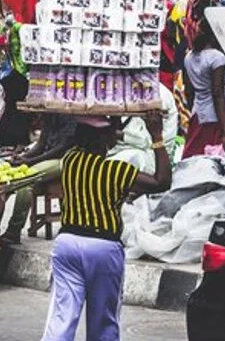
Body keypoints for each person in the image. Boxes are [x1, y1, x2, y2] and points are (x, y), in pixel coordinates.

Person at [40, 115, 170, 341]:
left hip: (67, 244)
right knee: (103, 322)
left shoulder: (71, 160)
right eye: (111, 133)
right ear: (103, 140)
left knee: (61, 318)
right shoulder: (116, 171)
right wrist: (157, 138)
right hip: (103, 247)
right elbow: (161, 181)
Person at [183, 27, 225, 159]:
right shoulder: (216, 57)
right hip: (218, 117)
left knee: (198, 158)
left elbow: (189, 89)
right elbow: (217, 92)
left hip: (199, 113)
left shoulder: (189, 56)